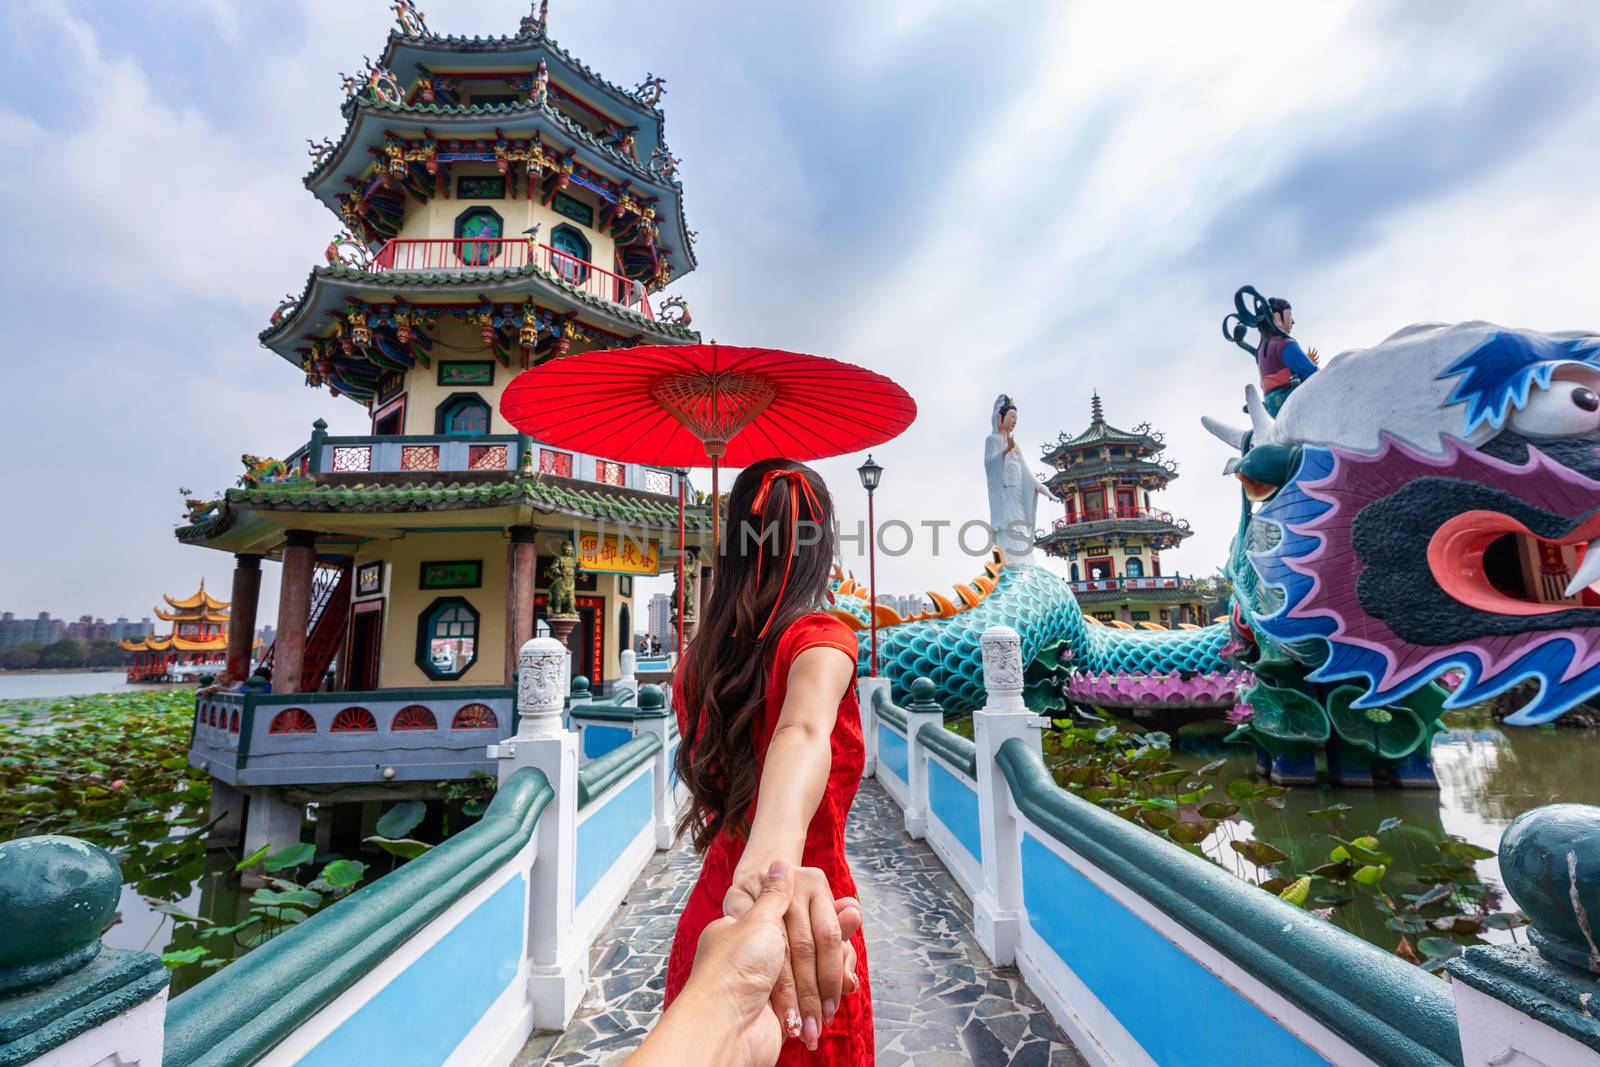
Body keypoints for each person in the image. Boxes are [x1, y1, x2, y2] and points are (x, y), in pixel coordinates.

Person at [666, 458, 871, 1064]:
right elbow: (802, 728)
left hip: (714, 925)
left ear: (732, 545)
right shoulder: (821, 641)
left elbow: (794, 734)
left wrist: (749, 871)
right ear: (821, 547)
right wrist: (771, 873)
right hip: (804, 931)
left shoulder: (696, 663)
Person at [629, 861, 863, 1067]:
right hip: (771, 942)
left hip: (745, 939)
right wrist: (767, 894)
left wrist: (726, 1014)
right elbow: (772, 855)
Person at [984, 395, 1053, 560]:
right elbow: (989, 464)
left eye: (1016, 418)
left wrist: (1040, 487)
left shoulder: (1015, 445)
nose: (1014, 421)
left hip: (1017, 496)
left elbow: (1026, 472)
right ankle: (1009, 562)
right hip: (1004, 496)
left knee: (1020, 528)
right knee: (1008, 528)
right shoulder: (992, 440)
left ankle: (1024, 562)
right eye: (1012, 416)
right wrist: (1006, 450)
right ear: (1000, 418)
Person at [1256, 297, 1318, 415]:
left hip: (1272, 409)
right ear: (1277, 318)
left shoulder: (1260, 351)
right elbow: (1312, 372)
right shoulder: (1284, 345)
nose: (1293, 321)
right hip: (1292, 401)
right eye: (1289, 314)